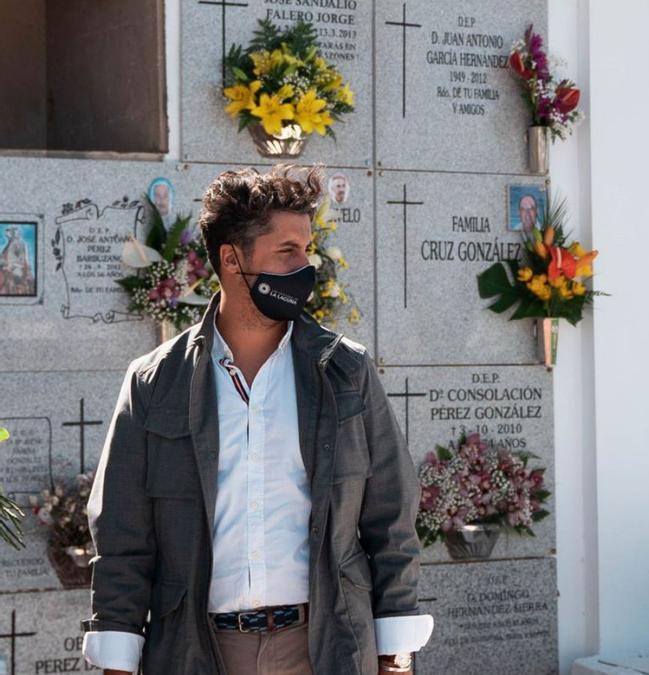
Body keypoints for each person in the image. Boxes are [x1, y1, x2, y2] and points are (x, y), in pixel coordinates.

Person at [80, 164, 433, 675]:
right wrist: (117, 662)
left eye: (307, 250)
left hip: (323, 646)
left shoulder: (346, 372)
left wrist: (395, 654)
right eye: (287, 252)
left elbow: (392, 518)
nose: (304, 267)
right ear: (231, 259)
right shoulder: (154, 383)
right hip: (197, 650)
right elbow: (122, 536)